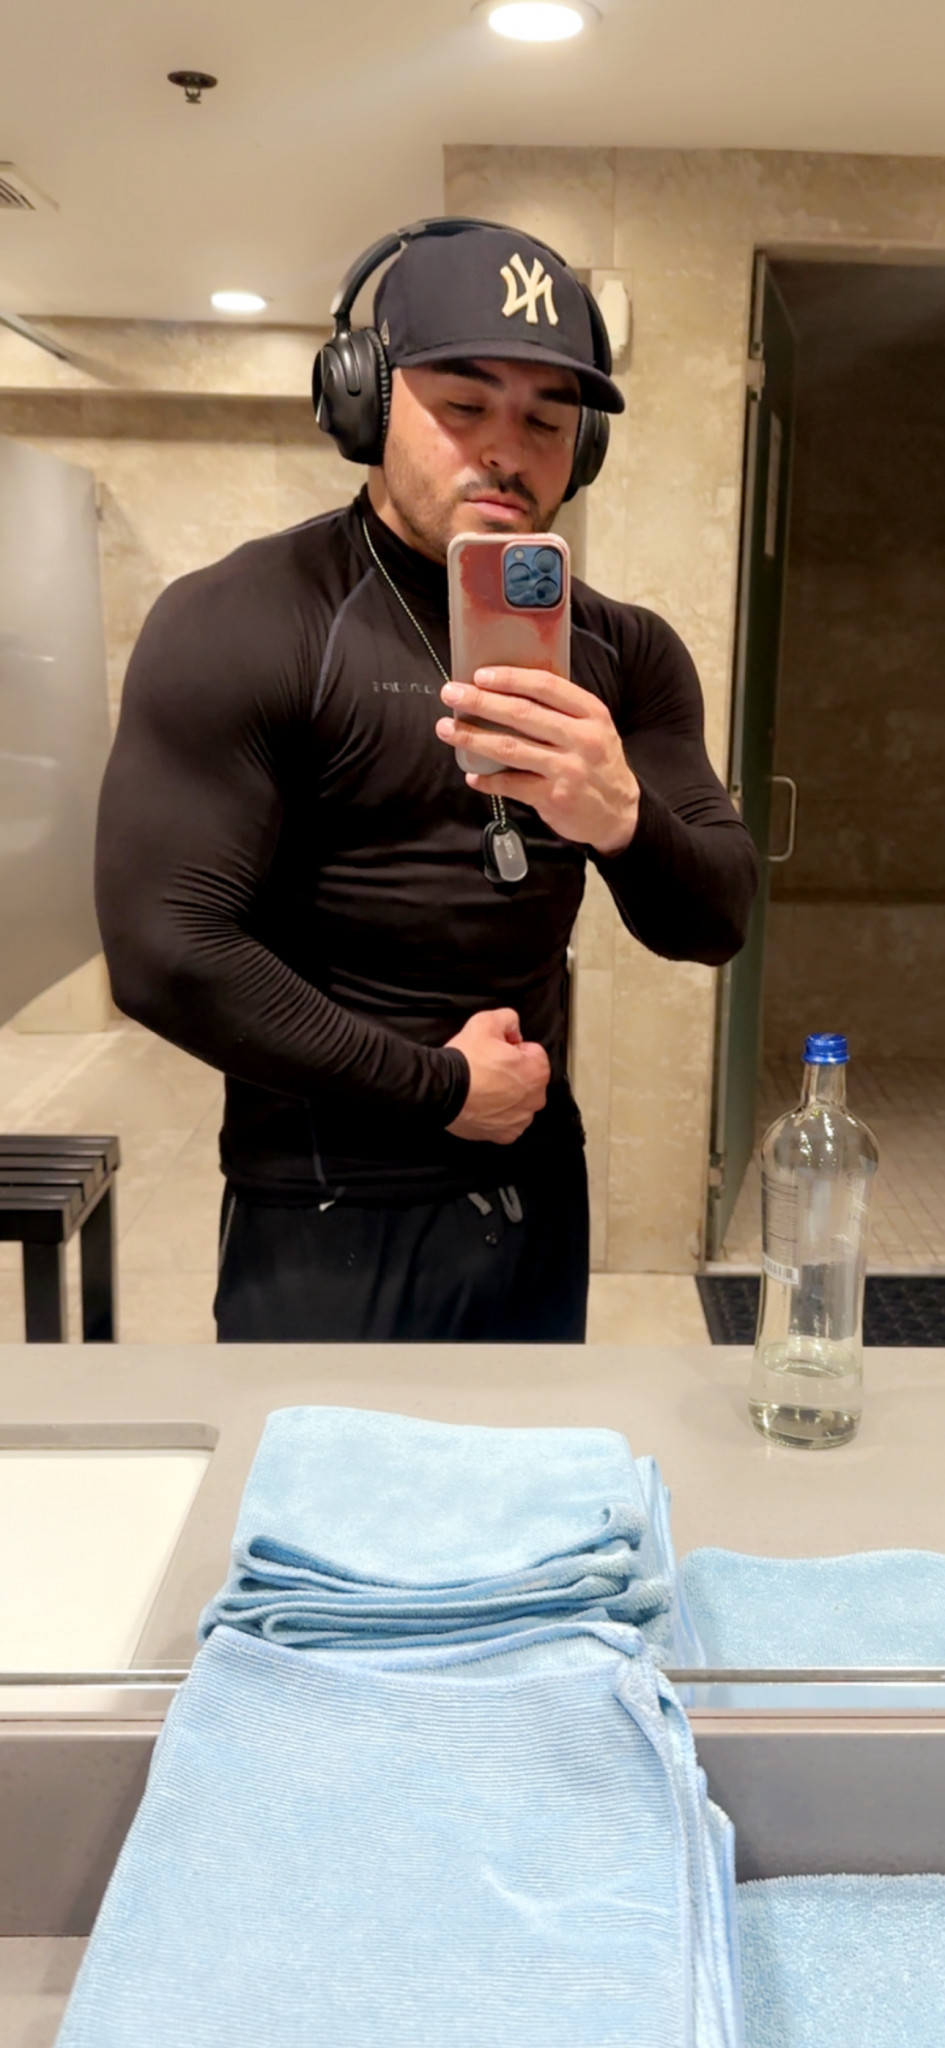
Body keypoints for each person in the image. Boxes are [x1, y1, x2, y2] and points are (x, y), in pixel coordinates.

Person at [95, 217, 758, 1344]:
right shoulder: (244, 619)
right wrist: (440, 1089)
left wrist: (622, 819)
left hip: (536, 1182)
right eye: (463, 404)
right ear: (364, 401)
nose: (506, 450)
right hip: (326, 1209)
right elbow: (165, 952)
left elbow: (716, 919)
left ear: (584, 447)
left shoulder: (627, 652)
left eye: (546, 419)